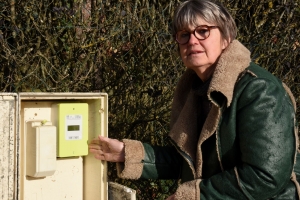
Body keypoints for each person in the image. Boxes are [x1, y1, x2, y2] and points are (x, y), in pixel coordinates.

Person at [89, 0, 300, 199]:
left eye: (203, 31)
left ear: (226, 38)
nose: (192, 40)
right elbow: (189, 162)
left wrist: (196, 195)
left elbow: (265, 176)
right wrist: (127, 154)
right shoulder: (194, 90)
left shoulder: (259, 90)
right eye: (184, 34)